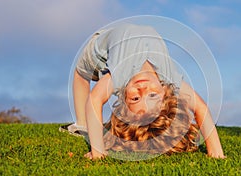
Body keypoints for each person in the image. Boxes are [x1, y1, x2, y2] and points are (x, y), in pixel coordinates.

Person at [63, 23, 225, 159]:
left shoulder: (121, 75)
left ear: (124, 99)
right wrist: (215, 150)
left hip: (99, 46)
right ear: (165, 93)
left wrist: (98, 152)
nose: (142, 89)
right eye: (152, 96)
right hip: (117, 34)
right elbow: (200, 108)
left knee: (80, 75)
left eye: (135, 99)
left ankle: (81, 125)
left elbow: (95, 99)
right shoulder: (169, 78)